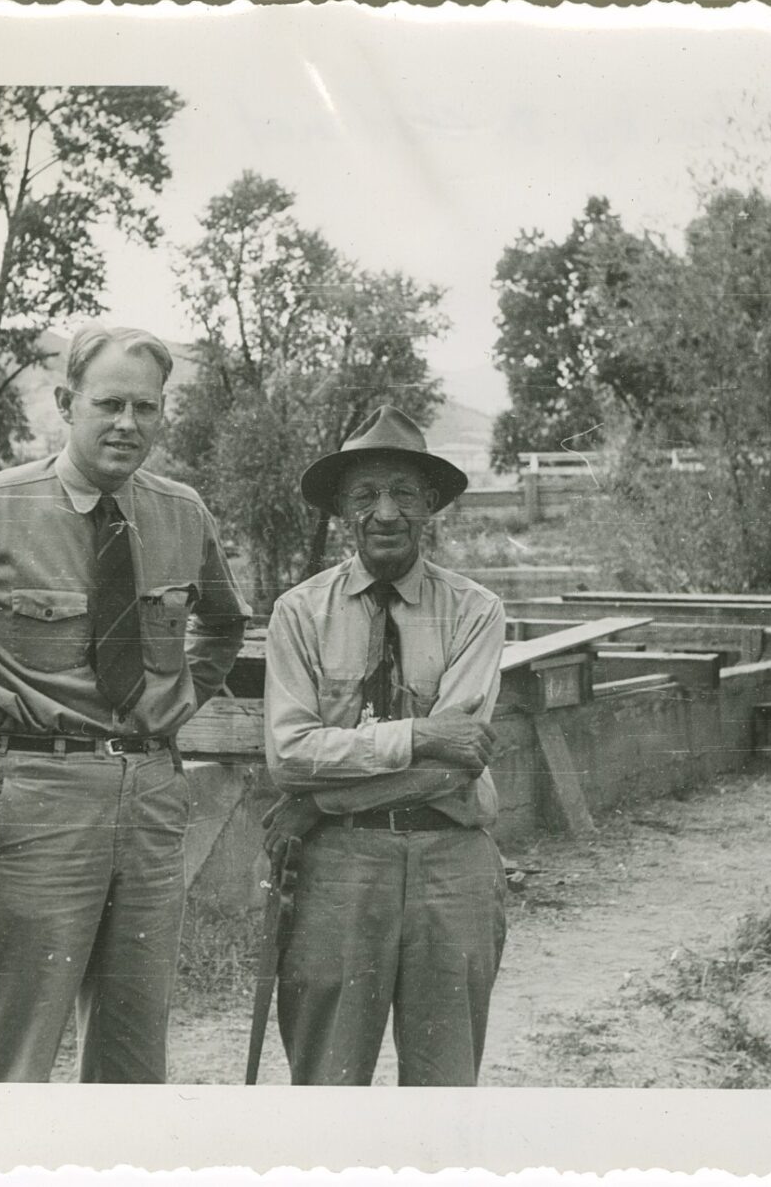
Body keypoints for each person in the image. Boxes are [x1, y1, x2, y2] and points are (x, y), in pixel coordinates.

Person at [0, 324, 250, 1083]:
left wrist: (174, 705)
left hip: (150, 799)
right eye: (109, 403)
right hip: (36, 799)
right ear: (66, 402)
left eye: (146, 407)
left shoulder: (181, 512)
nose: (127, 424)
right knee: (14, 1054)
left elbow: (225, 624)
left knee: (134, 1055)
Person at [262, 404, 507, 1086]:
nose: (386, 512)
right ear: (342, 507)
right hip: (339, 872)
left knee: (445, 1088)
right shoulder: (299, 613)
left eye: (403, 493)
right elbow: (288, 755)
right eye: (366, 494)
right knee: (328, 1085)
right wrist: (421, 733)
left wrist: (313, 804)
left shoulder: (476, 611)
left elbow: (455, 768)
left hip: (451, 862)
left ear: (430, 504)